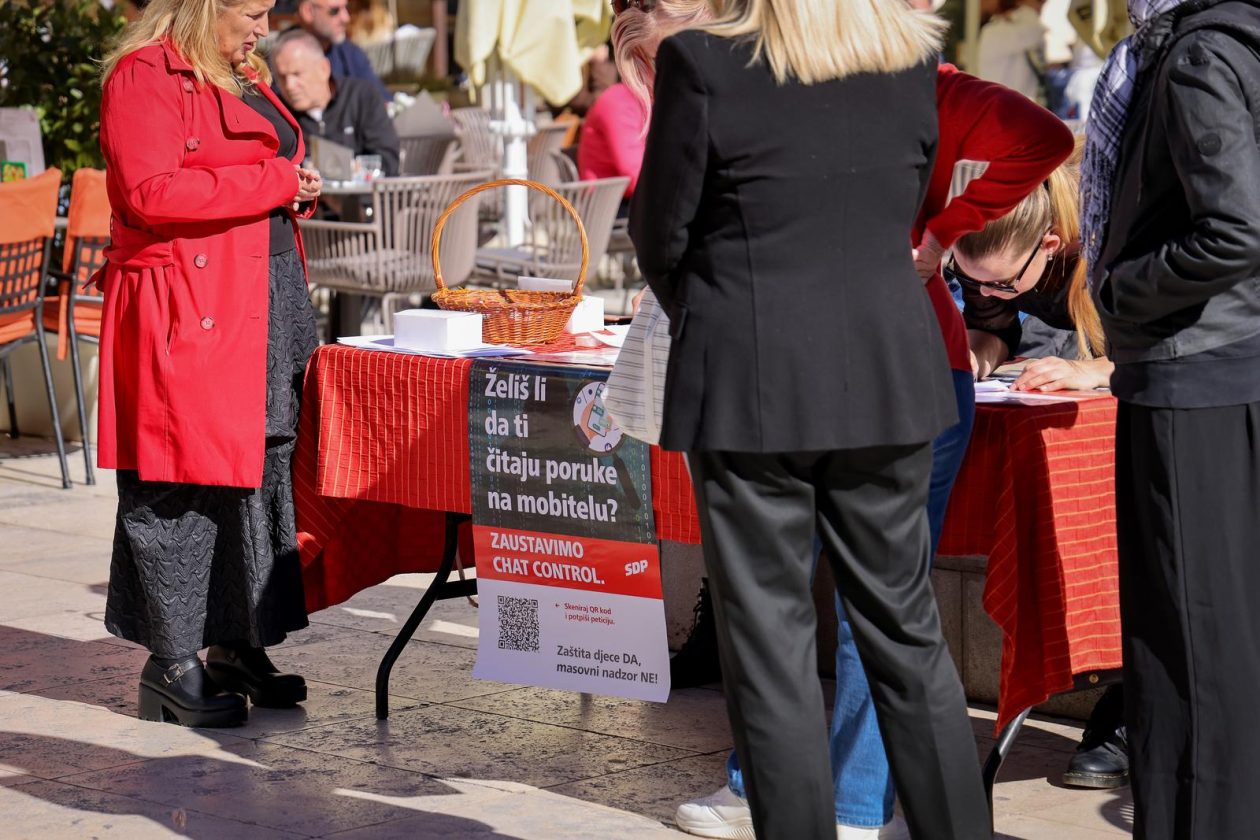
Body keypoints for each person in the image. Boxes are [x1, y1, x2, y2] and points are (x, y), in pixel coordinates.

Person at [630, 0, 995, 837]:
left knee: (772, 652)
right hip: (885, 374)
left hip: (752, 380)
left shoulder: (704, 61)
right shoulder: (906, 61)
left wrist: (720, 320)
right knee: (907, 638)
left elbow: (660, 236)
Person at [97, 0, 322, 727]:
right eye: (251, 12)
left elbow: (265, 165)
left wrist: (296, 187)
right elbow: (149, 191)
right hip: (192, 300)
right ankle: (171, 663)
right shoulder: (144, 76)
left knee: (258, 472)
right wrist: (274, 184)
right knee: (179, 482)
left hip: (261, 291)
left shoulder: (235, 68)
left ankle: (234, 640)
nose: (263, 27)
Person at [1082, 0, 1260, 836]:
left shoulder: (1194, 56)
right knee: (1210, 638)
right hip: (1221, 365)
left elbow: (1237, 227)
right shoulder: (1222, 42)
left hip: (1195, 372)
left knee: (1189, 643)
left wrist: (1123, 288)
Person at [952, 141, 1115, 391]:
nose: (984, 292)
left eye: (1001, 284)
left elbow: (1177, 344)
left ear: (1049, 245)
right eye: (972, 279)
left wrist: (1092, 369)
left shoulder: (1119, 228)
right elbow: (992, 328)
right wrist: (969, 360)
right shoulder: (996, 256)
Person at [272, 29, 400, 176]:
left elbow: (388, 160)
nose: (289, 85)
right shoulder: (277, 112)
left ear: (323, 69)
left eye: (297, 74)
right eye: (282, 77)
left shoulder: (361, 97)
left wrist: (352, 173)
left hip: (362, 196)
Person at [295, 0, 390, 103]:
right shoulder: (284, 59)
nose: (346, 18)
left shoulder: (350, 53)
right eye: (334, 11)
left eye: (346, 8)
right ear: (307, 11)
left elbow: (382, 101)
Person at [576, 80, 645, 211]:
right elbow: (634, 175)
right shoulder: (620, 102)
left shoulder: (630, 98)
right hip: (607, 208)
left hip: (624, 199)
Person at [976, 0, 1047, 101]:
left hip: (1010, 104)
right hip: (1005, 105)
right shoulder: (995, 32)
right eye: (1040, 3)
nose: (1040, 9)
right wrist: (1027, 8)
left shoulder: (1006, 28)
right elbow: (1035, 30)